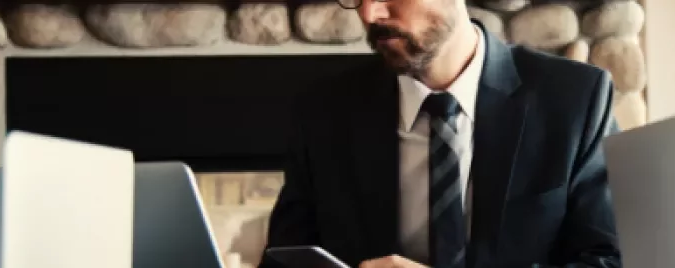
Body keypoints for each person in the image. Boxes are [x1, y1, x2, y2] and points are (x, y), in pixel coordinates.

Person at [258, 0, 622, 266]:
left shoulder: (574, 101)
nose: (370, 14)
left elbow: (609, 261)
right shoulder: (323, 112)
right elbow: (287, 259)